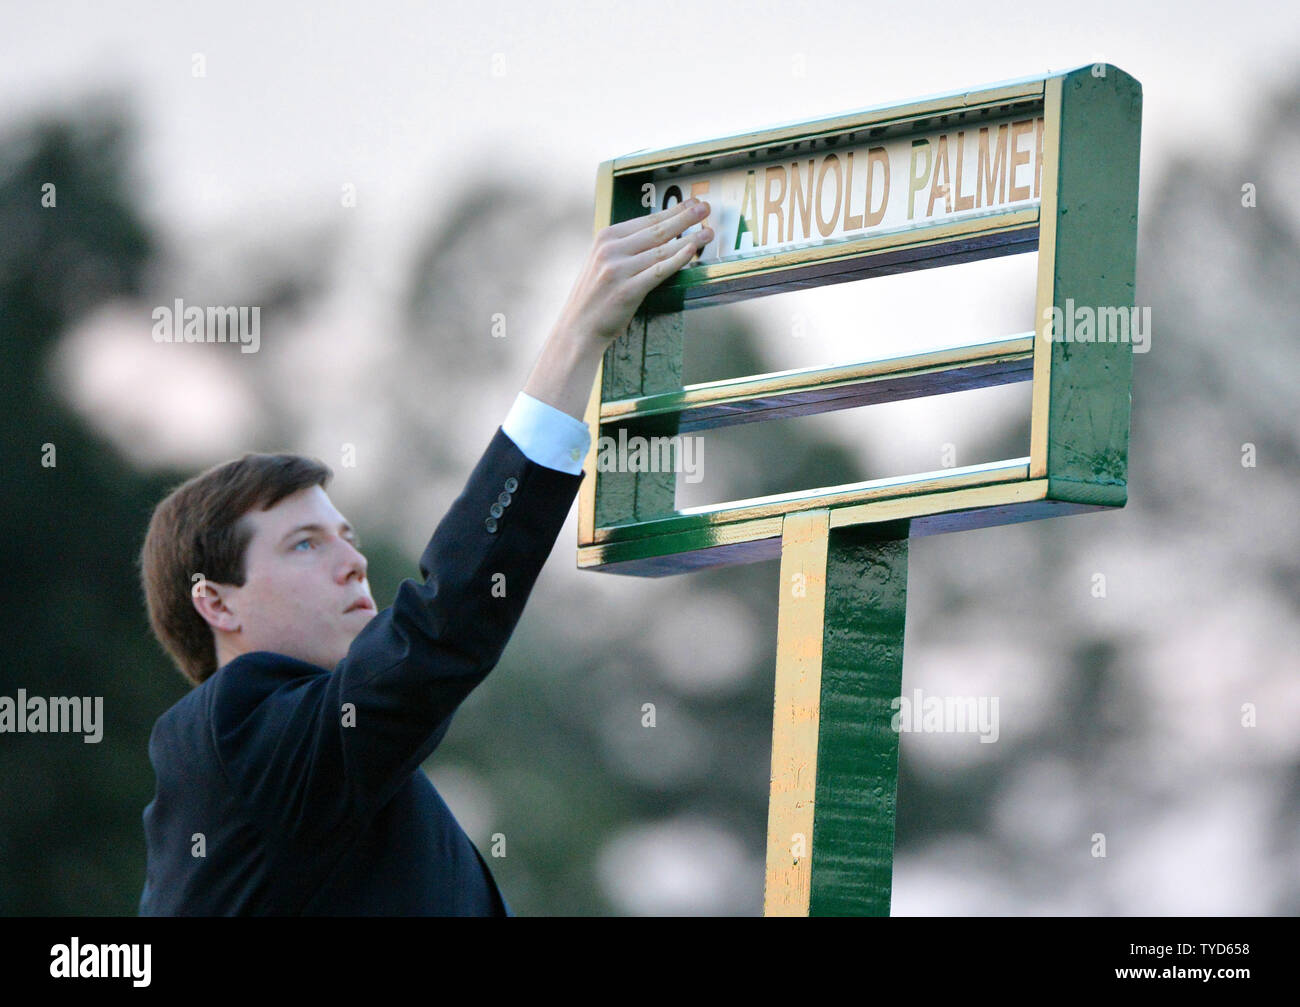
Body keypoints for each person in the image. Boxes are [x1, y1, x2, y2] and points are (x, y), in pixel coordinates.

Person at [136, 199, 714, 915]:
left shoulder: (342, 776)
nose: (352, 564)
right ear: (215, 601)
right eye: (305, 544)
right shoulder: (233, 737)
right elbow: (442, 627)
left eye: (347, 538)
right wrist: (575, 339)